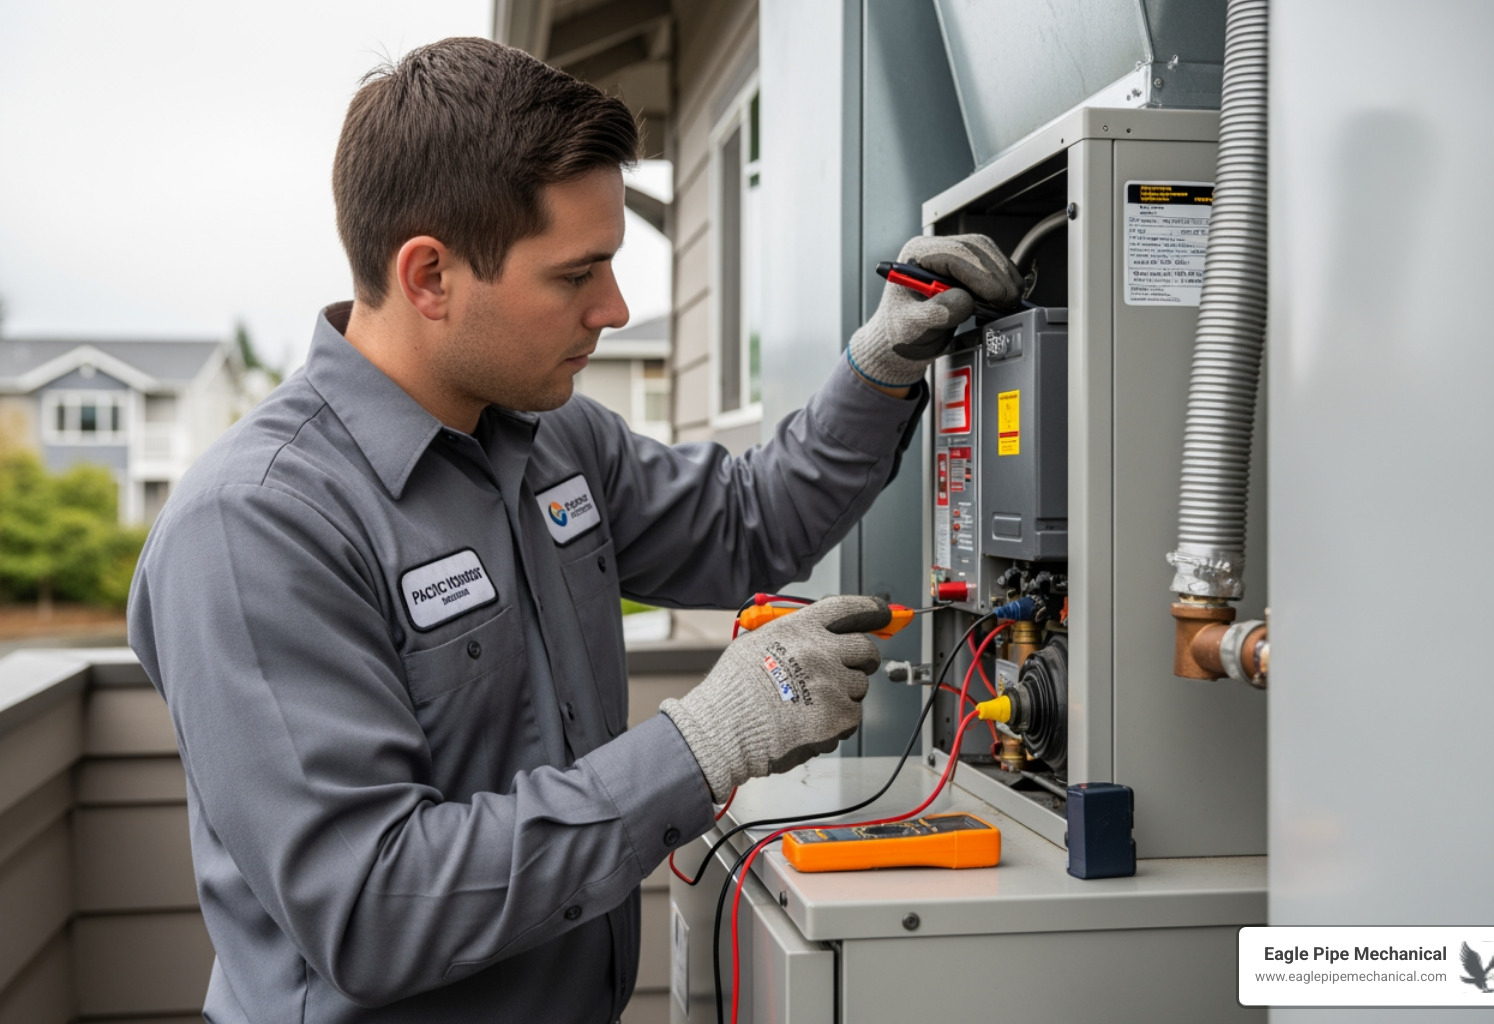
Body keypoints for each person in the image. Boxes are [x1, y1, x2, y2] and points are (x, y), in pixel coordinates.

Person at [128, 36, 1021, 1024]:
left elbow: (751, 521)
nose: (617, 307)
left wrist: (879, 367)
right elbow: (372, 904)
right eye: (575, 274)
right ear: (428, 275)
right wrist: (707, 740)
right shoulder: (257, 523)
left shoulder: (556, 442)